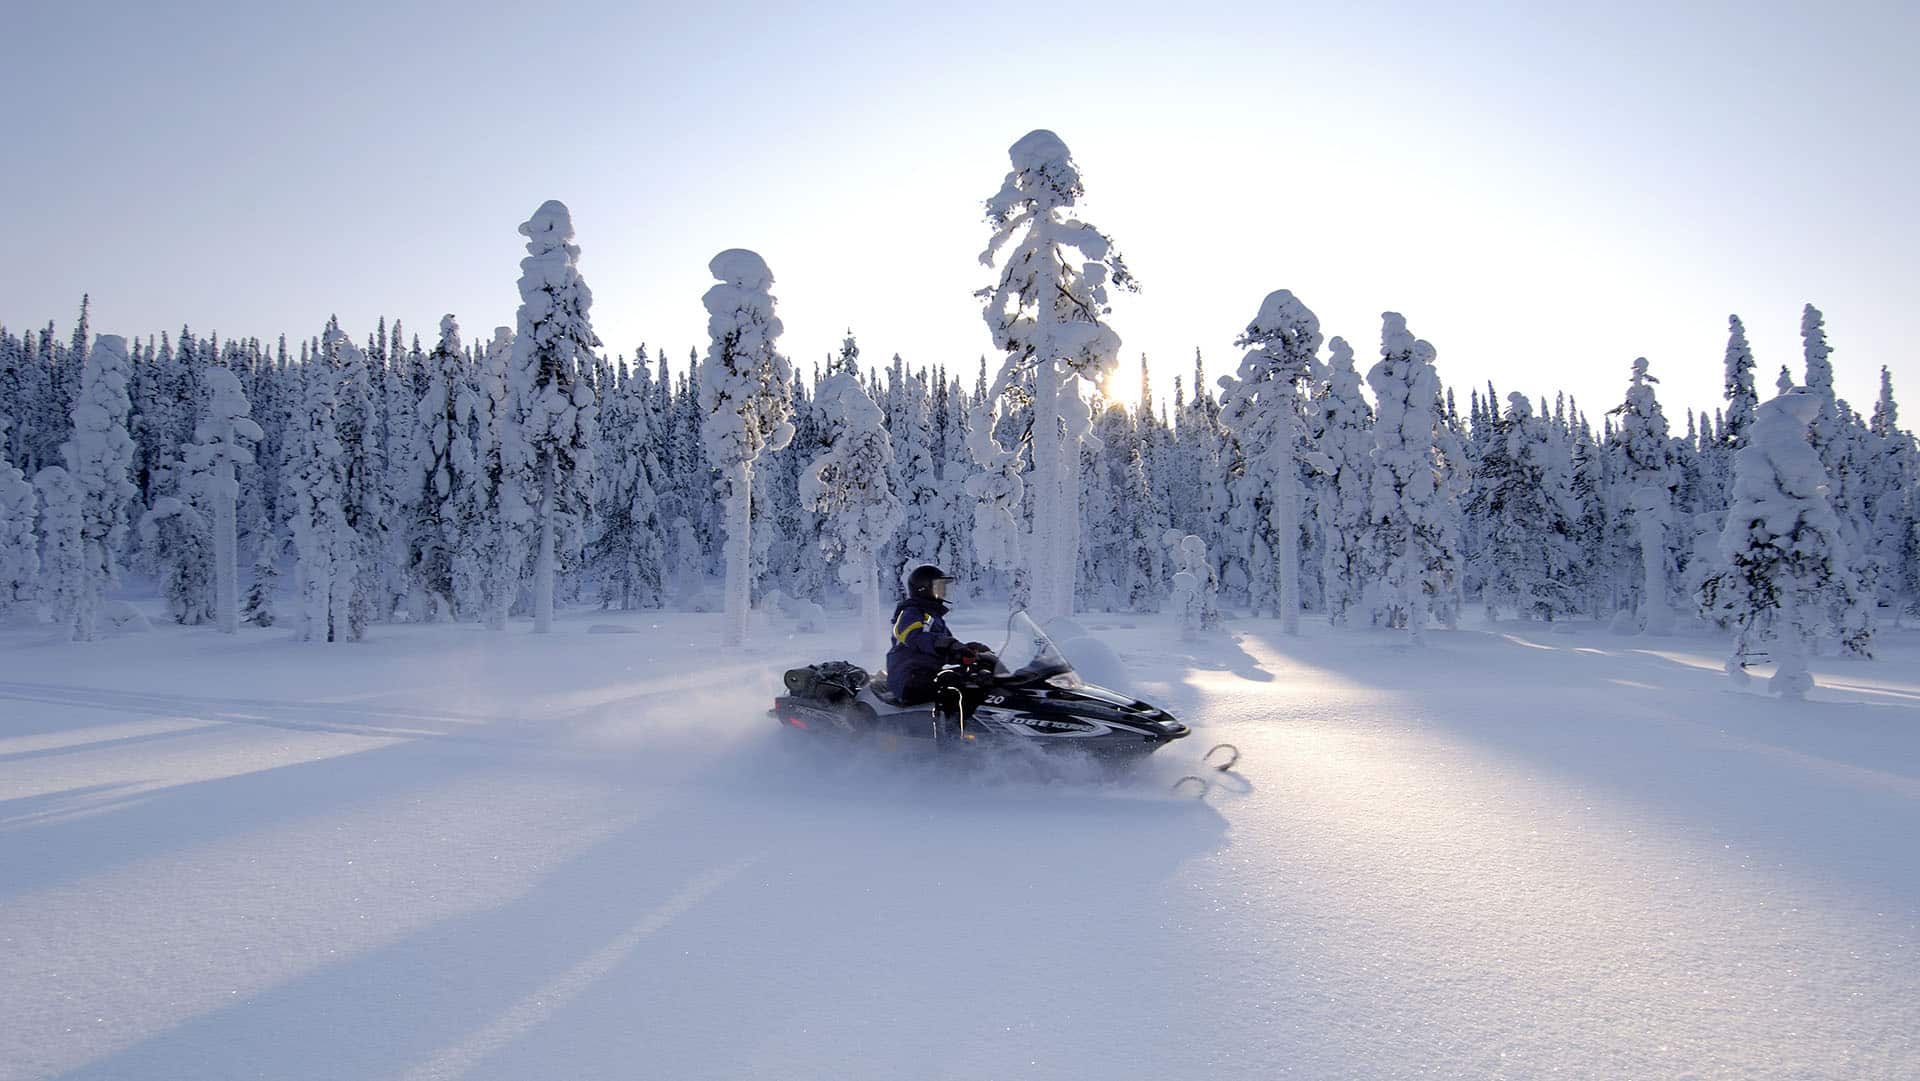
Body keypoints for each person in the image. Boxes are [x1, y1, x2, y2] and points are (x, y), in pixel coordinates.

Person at [886, 564, 987, 705]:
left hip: (926, 673)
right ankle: (949, 727)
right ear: (924, 589)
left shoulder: (935, 618)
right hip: (908, 676)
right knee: (953, 688)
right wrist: (948, 644)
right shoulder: (911, 613)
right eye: (940, 587)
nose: (944, 591)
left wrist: (966, 651)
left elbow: (943, 648)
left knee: (975, 682)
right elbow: (913, 637)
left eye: (944, 587)